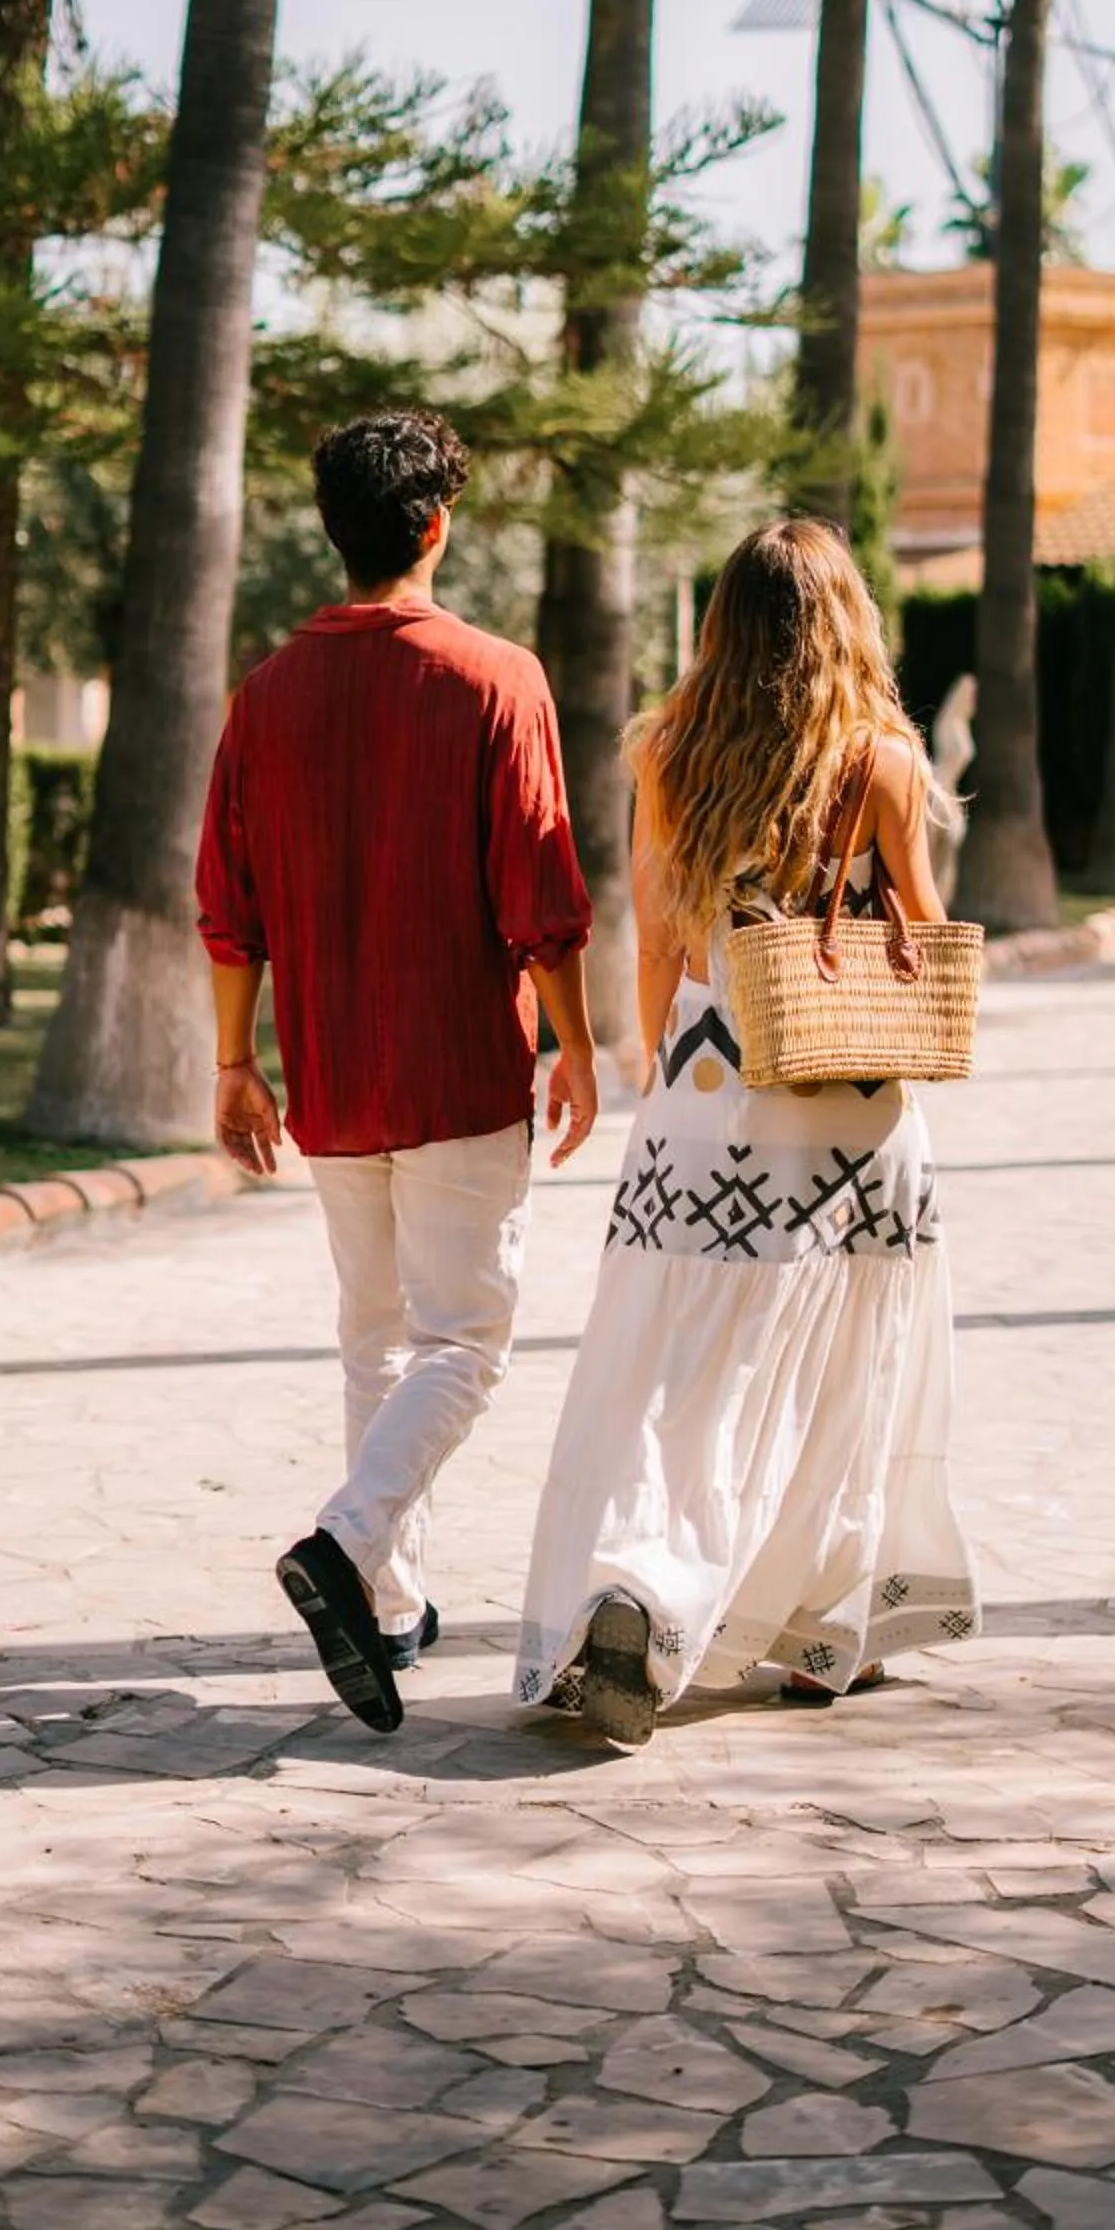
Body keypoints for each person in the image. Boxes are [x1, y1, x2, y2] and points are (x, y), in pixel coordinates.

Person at [514, 517, 979, 1748]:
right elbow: (922, 932)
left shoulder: (664, 751)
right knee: (839, 1376)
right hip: (844, 1112)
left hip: (698, 1103)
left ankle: (635, 1586)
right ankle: (816, 1630)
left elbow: (659, 945)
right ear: (842, 623)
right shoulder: (878, 761)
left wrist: (671, 1071)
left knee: (675, 1375)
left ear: (718, 626)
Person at [196, 407, 598, 1736]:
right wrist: (583, 1045)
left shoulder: (267, 694)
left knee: (378, 1337)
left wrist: (231, 1064)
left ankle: (387, 1601)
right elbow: (541, 888)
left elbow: (227, 900)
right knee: (468, 1339)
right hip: (459, 1066)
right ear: (436, 526)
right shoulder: (496, 679)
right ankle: (346, 1536)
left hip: (331, 1073)